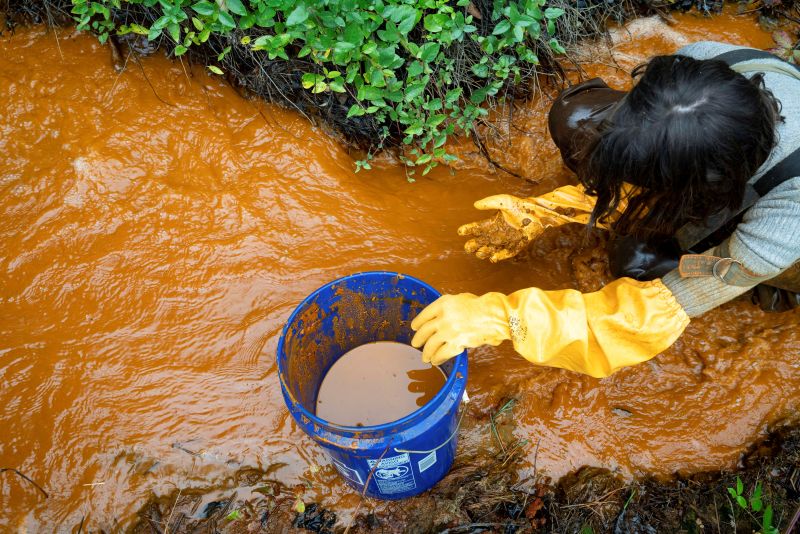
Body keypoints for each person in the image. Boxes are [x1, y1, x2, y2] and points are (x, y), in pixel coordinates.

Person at [410, 41, 800, 378]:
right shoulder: (701, 64)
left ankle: (764, 293)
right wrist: (549, 210)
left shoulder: (785, 220)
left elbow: (645, 317)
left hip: (780, 253)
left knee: (639, 264)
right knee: (575, 118)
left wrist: (501, 318)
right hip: (715, 171)